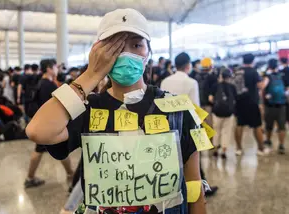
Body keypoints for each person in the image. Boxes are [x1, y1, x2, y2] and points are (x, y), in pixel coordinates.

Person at [26, 8, 206, 214]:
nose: (126, 54)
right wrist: (91, 74)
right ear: (98, 53)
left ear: (148, 53)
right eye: (114, 47)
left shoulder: (177, 109)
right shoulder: (89, 109)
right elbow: (37, 131)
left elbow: (194, 185)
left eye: (136, 45)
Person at [161, 52, 218, 197]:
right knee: (192, 161)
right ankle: (200, 189)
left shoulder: (165, 81)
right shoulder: (192, 82)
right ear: (188, 65)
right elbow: (195, 108)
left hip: (167, 125)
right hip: (186, 126)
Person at [24, 59, 74, 188]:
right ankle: (71, 174)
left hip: (43, 124)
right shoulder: (48, 86)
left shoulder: (41, 83)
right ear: (49, 69)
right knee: (59, 149)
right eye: (55, 67)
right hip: (50, 126)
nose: (57, 70)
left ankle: (70, 173)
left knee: (50, 149)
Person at [234, 54, 267, 156]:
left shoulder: (237, 71)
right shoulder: (253, 72)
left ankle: (239, 149)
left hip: (239, 102)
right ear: (253, 61)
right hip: (252, 102)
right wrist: (265, 81)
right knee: (257, 126)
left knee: (239, 125)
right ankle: (261, 149)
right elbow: (260, 85)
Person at [209, 68, 237, 159]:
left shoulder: (215, 86)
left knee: (216, 131)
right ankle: (224, 152)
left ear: (221, 76)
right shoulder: (232, 87)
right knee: (226, 131)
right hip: (229, 113)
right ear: (229, 77)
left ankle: (216, 151)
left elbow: (210, 99)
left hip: (217, 112)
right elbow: (235, 100)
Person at [263, 59, 287, 154]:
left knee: (269, 125)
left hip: (270, 105)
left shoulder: (267, 76)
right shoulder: (282, 76)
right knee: (282, 126)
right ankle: (281, 145)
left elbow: (263, 87)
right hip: (281, 104)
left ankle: (268, 140)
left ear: (269, 66)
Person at [279, 58, 289, 125]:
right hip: (285, 90)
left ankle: (285, 120)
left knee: (285, 105)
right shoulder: (281, 70)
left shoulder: (281, 71)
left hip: (284, 90)